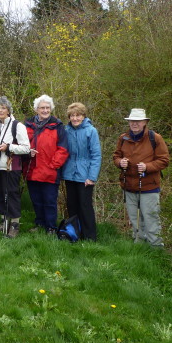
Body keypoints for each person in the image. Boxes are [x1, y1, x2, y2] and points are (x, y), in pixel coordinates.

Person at [113, 108, 170, 247]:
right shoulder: (123, 138)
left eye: (138, 121)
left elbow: (164, 160)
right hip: (129, 186)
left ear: (144, 122)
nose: (135, 124)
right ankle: (139, 248)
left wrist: (147, 167)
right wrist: (120, 162)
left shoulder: (155, 138)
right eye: (132, 121)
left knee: (151, 219)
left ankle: (156, 249)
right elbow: (116, 156)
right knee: (135, 220)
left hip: (149, 186)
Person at [24, 95, 69, 233]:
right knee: (36, 200)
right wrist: (26, 153)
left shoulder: (57, 125)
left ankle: (51, 227)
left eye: (47, 108)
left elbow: (63, 149)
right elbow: (21, 144)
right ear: (36, 109)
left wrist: (53, 165)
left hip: (50, 171)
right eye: (42, 107)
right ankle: (40, 224)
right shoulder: (27, 125)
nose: (45, 110)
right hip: (32, 170)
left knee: (49, 201)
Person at [0, 96, 30, 238]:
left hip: (11, 166)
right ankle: (3, 221)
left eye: (3, 108)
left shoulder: (17, 126)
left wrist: (9, 147)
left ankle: (14, 224)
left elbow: (26, 148)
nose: (0, 110)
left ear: (8, 110)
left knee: (12, 194)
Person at [62, 102, 102, 241]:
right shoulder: (66, 131)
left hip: (85, 175)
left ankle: (90, 236)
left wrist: (92, 177)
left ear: (83, 116)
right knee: (72, 206)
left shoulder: (91, 131)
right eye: (72, 116)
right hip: (69, 173)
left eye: (78, 115)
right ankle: (74, 234)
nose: (75, 118)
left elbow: (96, 155)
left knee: (85, 206)